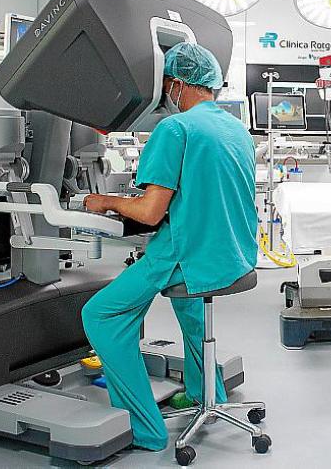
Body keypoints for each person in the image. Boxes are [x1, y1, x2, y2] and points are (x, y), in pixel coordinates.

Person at [81, 42, 258, 450]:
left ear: (178, 83)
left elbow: (149, 213)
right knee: (190, 308)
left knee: (101, 314)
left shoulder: (175, 129)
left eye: (165, 85)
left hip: (186, 254)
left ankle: (145, 429)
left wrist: (105, 201)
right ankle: (205, 392)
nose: (164, 94)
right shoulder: (236, 129)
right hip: (233, 255)